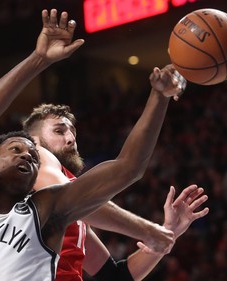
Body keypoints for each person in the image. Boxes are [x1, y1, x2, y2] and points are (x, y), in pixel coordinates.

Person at [0, 8, 187, 280]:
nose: (30, 155)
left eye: (32, 154)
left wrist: (159, 99)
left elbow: (128, 170)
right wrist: (38, 59)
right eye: (17, 148)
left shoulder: (52, 211)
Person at [23, 102, 209, 281]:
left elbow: (114, 276)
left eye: (73, 131)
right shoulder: (33, 160)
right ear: (34, 140)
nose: (71, 138)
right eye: (59, 131)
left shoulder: (73, 211)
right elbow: (127, 169)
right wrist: (151, 232)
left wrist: (169, 231)